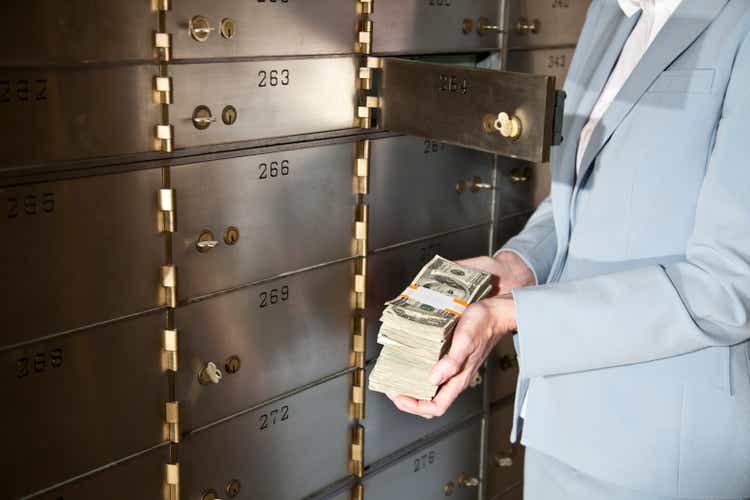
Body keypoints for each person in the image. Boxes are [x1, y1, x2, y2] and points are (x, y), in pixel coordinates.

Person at [386, 0, 750, 498]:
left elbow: (728, 288)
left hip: (666, 456)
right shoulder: (611, 10)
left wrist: (511, 315)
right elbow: (578, 196)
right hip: (557, 424)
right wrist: (513, 268)